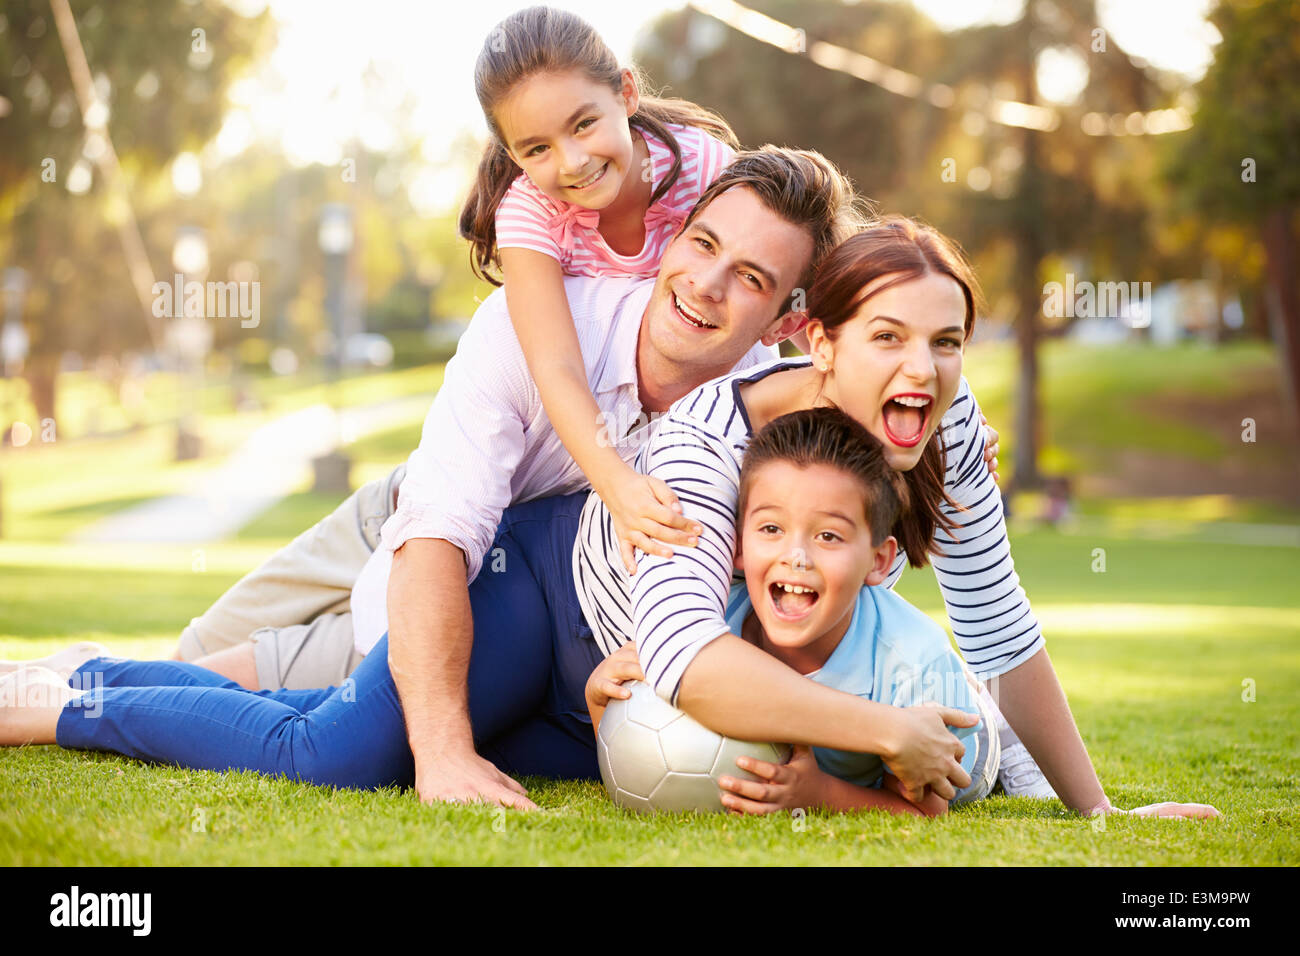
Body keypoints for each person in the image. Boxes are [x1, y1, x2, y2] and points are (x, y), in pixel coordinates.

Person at [3, 150, 984, 803]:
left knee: (323, 716)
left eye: (756, 278)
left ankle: (91, 671)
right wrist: (444, 746)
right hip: (525, 585)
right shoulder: (698, 411)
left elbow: (969, 640)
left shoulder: (897, 427)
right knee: (337, 752)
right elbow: (452, 530)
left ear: (787, 317)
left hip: (598, 679)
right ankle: (64, 699)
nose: (711, 285)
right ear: (820, 340)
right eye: (703, 247)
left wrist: (1069, 799)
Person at [557, 216, 1219, 818]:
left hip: (759, 692)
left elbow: (995, 624)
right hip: (584, 628)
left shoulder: (950, 422)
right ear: (822, 344)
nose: (922, 369)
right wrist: (888, 731)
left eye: (946, 342)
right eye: (887, 337)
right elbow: (684, 655)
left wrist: (1090, 811)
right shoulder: (708, 436)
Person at [584, 406, 1003, 818]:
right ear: (738, 546)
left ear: (878, 561)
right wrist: (600, 701)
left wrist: (821, 794)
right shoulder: (712, 628)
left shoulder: (913, 665)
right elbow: (632, 749)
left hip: (962, 743)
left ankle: (987, 706)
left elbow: (926, 814)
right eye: (771, 529)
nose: (796, 557)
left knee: (969, 722)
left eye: (828, 535)